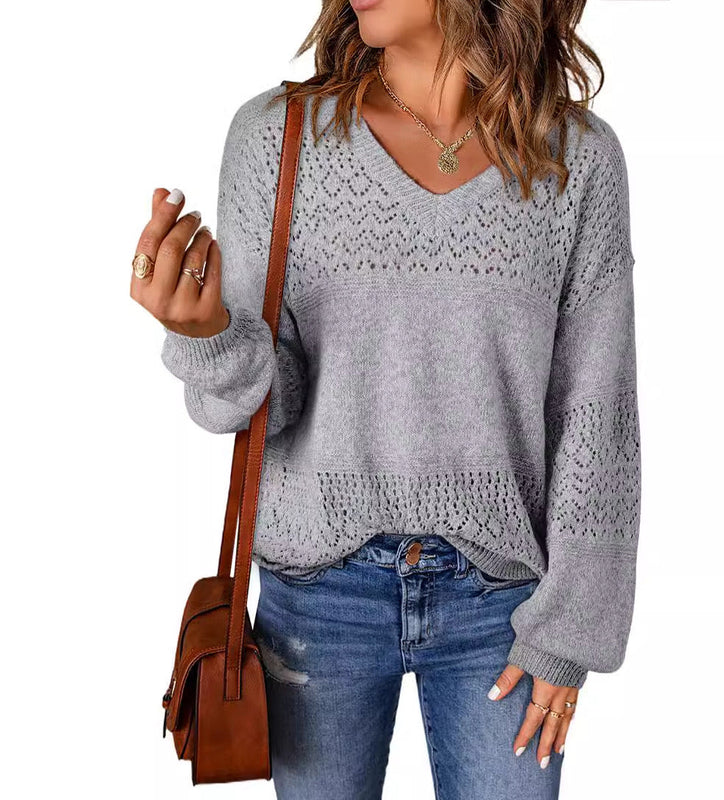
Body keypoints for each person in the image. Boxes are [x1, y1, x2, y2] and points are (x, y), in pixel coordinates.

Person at [130, 1, 641, 797]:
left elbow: (596, 412)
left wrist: (570, 633)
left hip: (504, 609)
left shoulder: (576, 158)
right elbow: (264, 406)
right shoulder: (278, 137)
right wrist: (208, 336)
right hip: (317, 596)